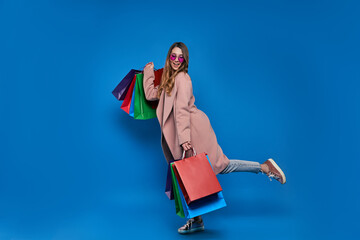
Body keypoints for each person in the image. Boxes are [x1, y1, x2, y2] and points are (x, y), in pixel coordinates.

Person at [143, 42, 286, 235]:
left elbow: (182, 110)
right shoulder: (170, 80)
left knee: (216, 167)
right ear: (169, 58)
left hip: (193, 131)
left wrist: (185, 138)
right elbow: (151, 94)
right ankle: (197, 220)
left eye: (180, 57)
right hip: (184, 133)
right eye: (173, 56)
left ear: (185, 60)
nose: (176, 60)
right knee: (189, 175)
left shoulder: (183, 79)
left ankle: (265, 168)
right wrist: (148, 73)